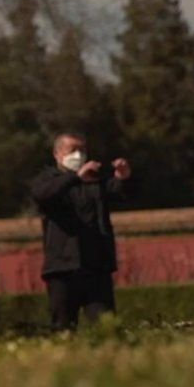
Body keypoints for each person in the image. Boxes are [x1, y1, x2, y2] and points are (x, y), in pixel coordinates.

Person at [31, 133, 130, 330]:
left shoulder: (95, 182)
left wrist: (123, 178)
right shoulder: (49, 180)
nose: (78, 155)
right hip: (62, 269)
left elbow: (119, 193)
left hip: (95, 268)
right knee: (63, 328)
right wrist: (74, 178)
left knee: (107, 327)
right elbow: (43, 195)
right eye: (72, 150)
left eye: (82, 150)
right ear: (57, 154)